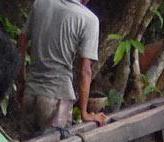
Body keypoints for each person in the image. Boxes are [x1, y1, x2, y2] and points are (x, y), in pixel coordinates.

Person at [17, 0, 107, 132]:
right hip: (57, 98)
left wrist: (21, 82)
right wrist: (84, 113)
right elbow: (85, 71)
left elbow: (22, 42)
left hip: (30, 93)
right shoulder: (88, 19)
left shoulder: (40, 3)